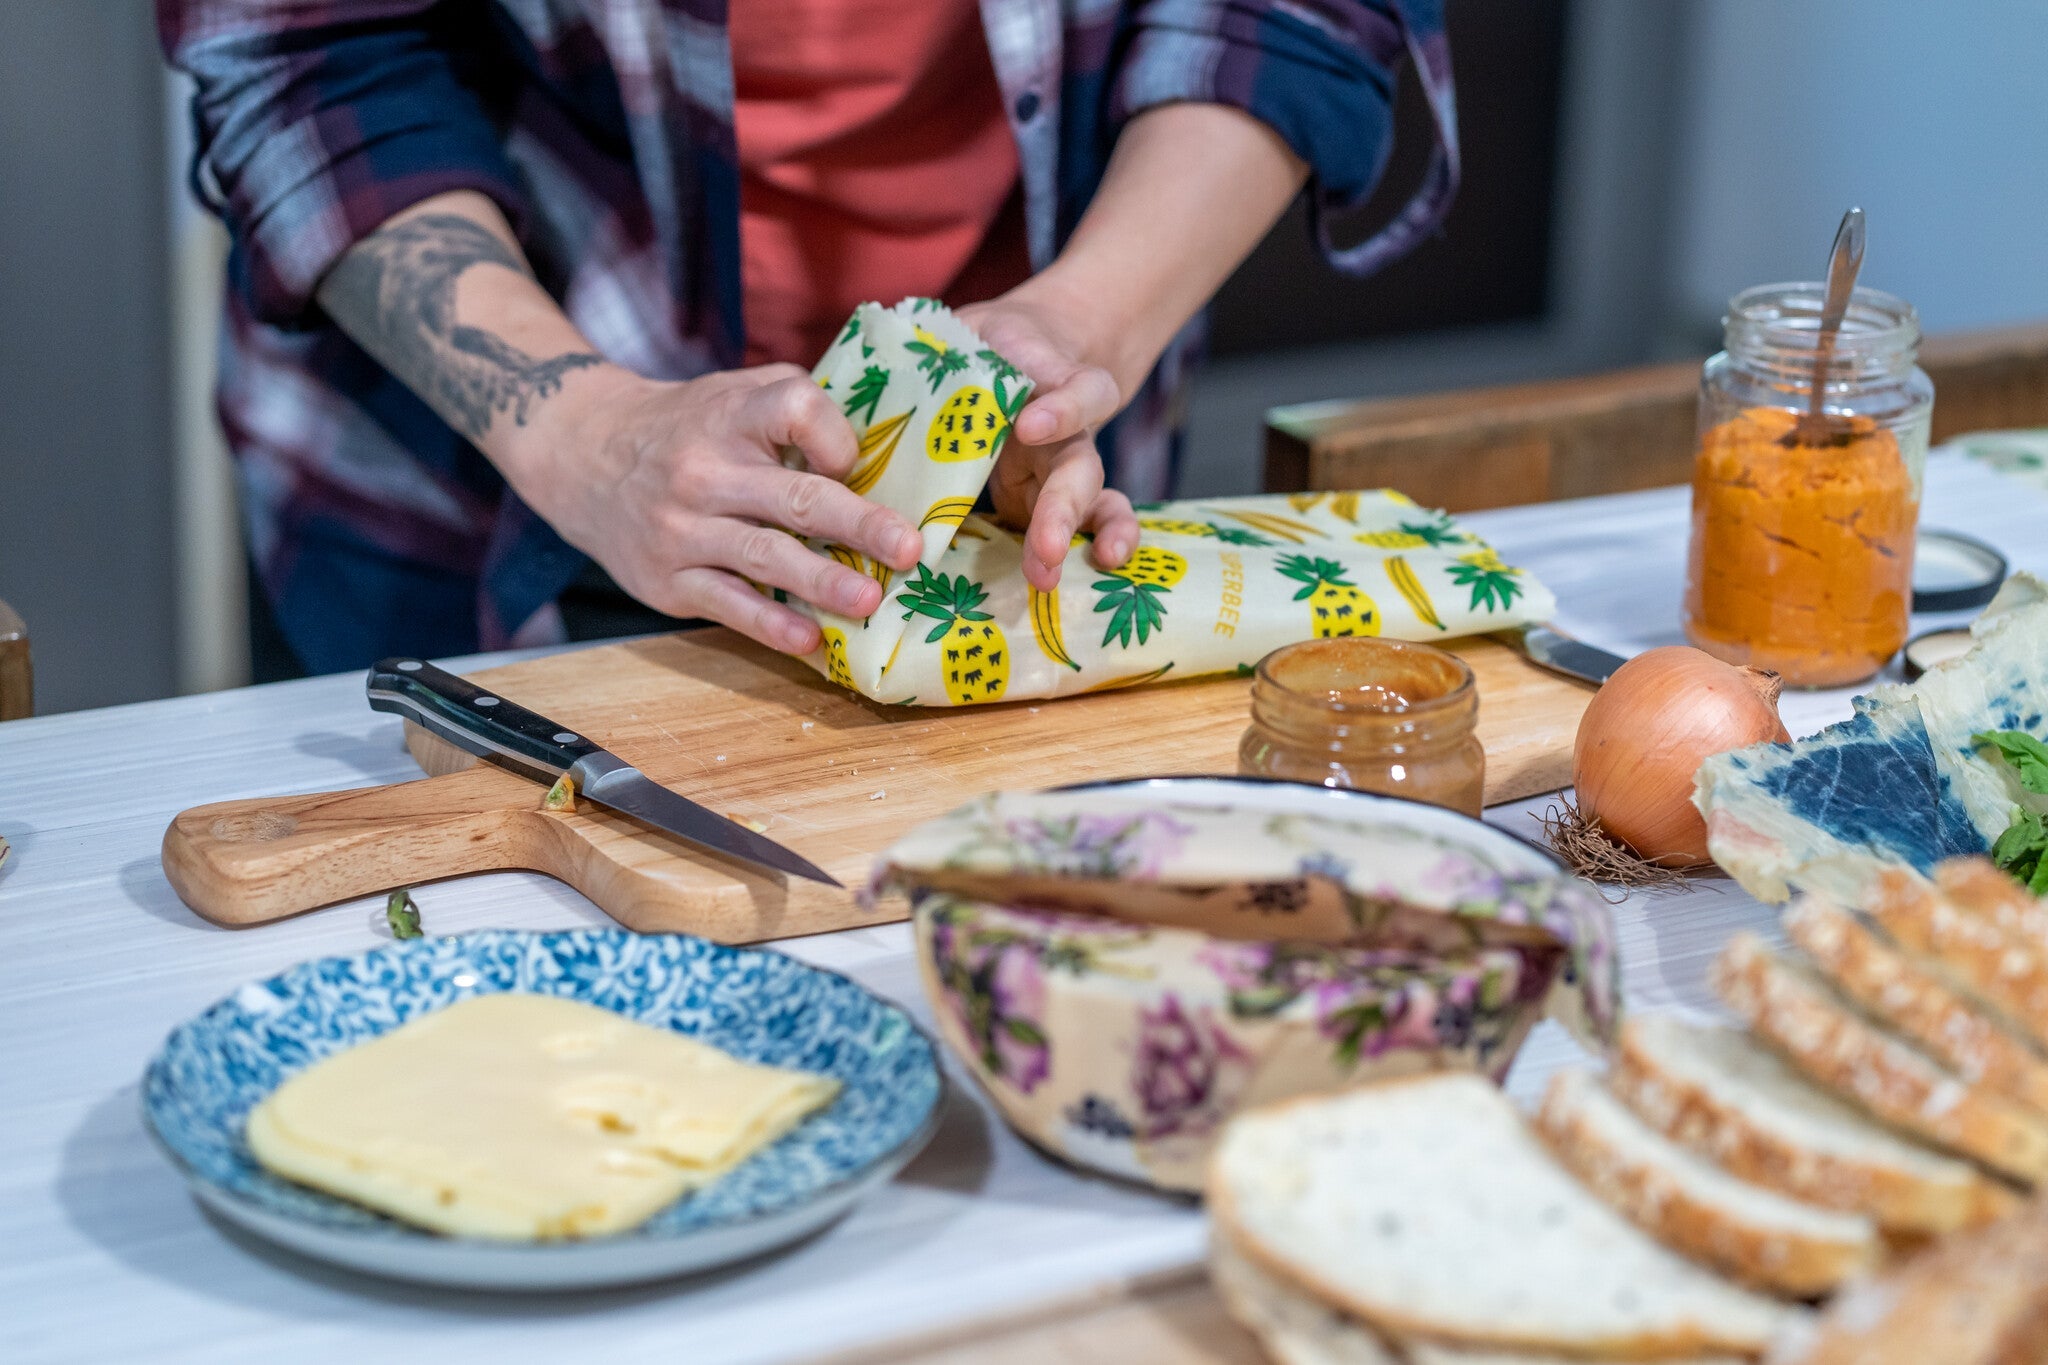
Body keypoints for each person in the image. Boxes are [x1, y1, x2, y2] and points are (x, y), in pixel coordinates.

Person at [160, 0, 1457, 678]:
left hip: (1018, 468)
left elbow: (1294, 9)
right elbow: (310, 52)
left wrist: (1075, 324)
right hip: (455, 485)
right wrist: (584, 432)